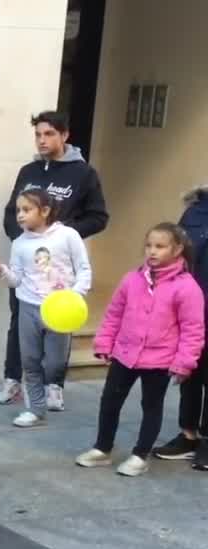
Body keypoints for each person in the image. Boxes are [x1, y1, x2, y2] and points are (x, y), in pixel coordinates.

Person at [0, 111, 109, 410]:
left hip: (58, 270)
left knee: (58, 326)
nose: (43, 140)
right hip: (26, 265)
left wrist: (63, 236)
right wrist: (19, 237)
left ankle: (54, 385)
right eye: (38, 135)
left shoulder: (83, 174)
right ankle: (12, 381)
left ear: (64, 135)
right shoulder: (28, 171)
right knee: (20, 322)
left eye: (49, 134)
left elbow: (98, 217)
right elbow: (11, 211)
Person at [76, 223, 205, 476]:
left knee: (151, 406)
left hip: (160, 359)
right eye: (149, 246)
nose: (152, 252)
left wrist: (184, 363)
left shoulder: (187, 287)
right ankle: (102, 448)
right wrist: (104, 342)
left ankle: (140, 455)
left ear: (177, 249)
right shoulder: (132, 279)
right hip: (125, 354)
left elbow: (193, 330)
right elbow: (114, 314)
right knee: (110, 401)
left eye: (160, 246)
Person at [0, 188, 92, 428]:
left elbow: (83, 268)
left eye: (26, 210)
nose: (20, 216)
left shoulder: (68, 236)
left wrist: (75, 295)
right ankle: (35, 409)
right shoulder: (20, 243)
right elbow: (16, 280)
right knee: (30, 362)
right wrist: (2, 272)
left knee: (54, 363)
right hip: (29, 308)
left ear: (45, 211)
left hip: (60, 310)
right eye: (18, 211)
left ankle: (51, 388)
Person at [153, 186, 208, 467]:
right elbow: (179, 257)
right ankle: (189, 435)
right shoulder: (195, 211)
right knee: (190, 374)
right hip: (192, 307)